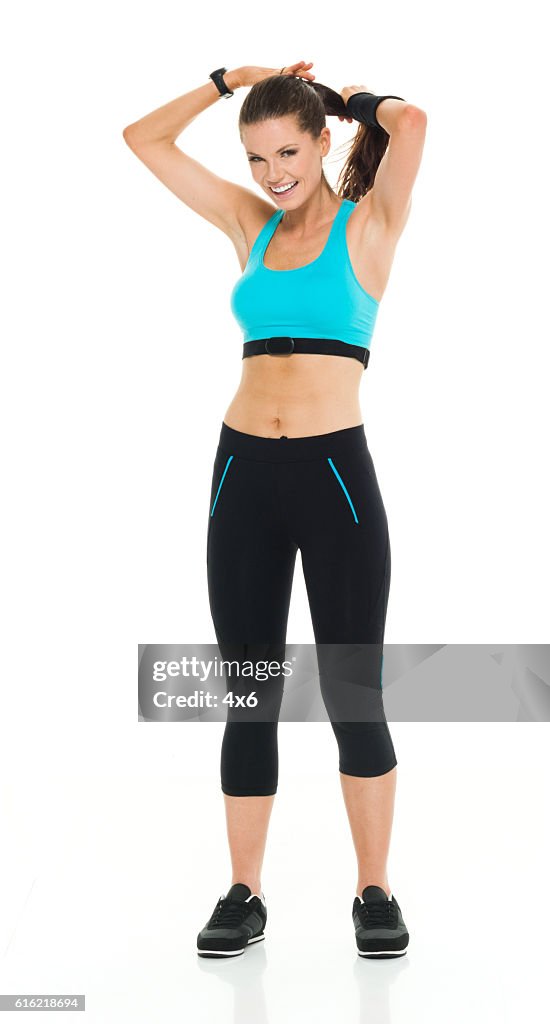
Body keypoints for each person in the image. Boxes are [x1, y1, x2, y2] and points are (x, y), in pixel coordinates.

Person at [123, 60, 427, 960]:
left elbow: (410, 126)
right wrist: (224, 81)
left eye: (288, 152)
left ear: (323, 140)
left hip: (334, 476)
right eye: (257, 158)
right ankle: (244, 894)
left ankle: (373, 889)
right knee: (247, 695)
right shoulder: (248, 224)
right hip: (241, 475)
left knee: (351, 692)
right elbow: (143, 140)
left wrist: (343, 94)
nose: (272, 174)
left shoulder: (368, 224)